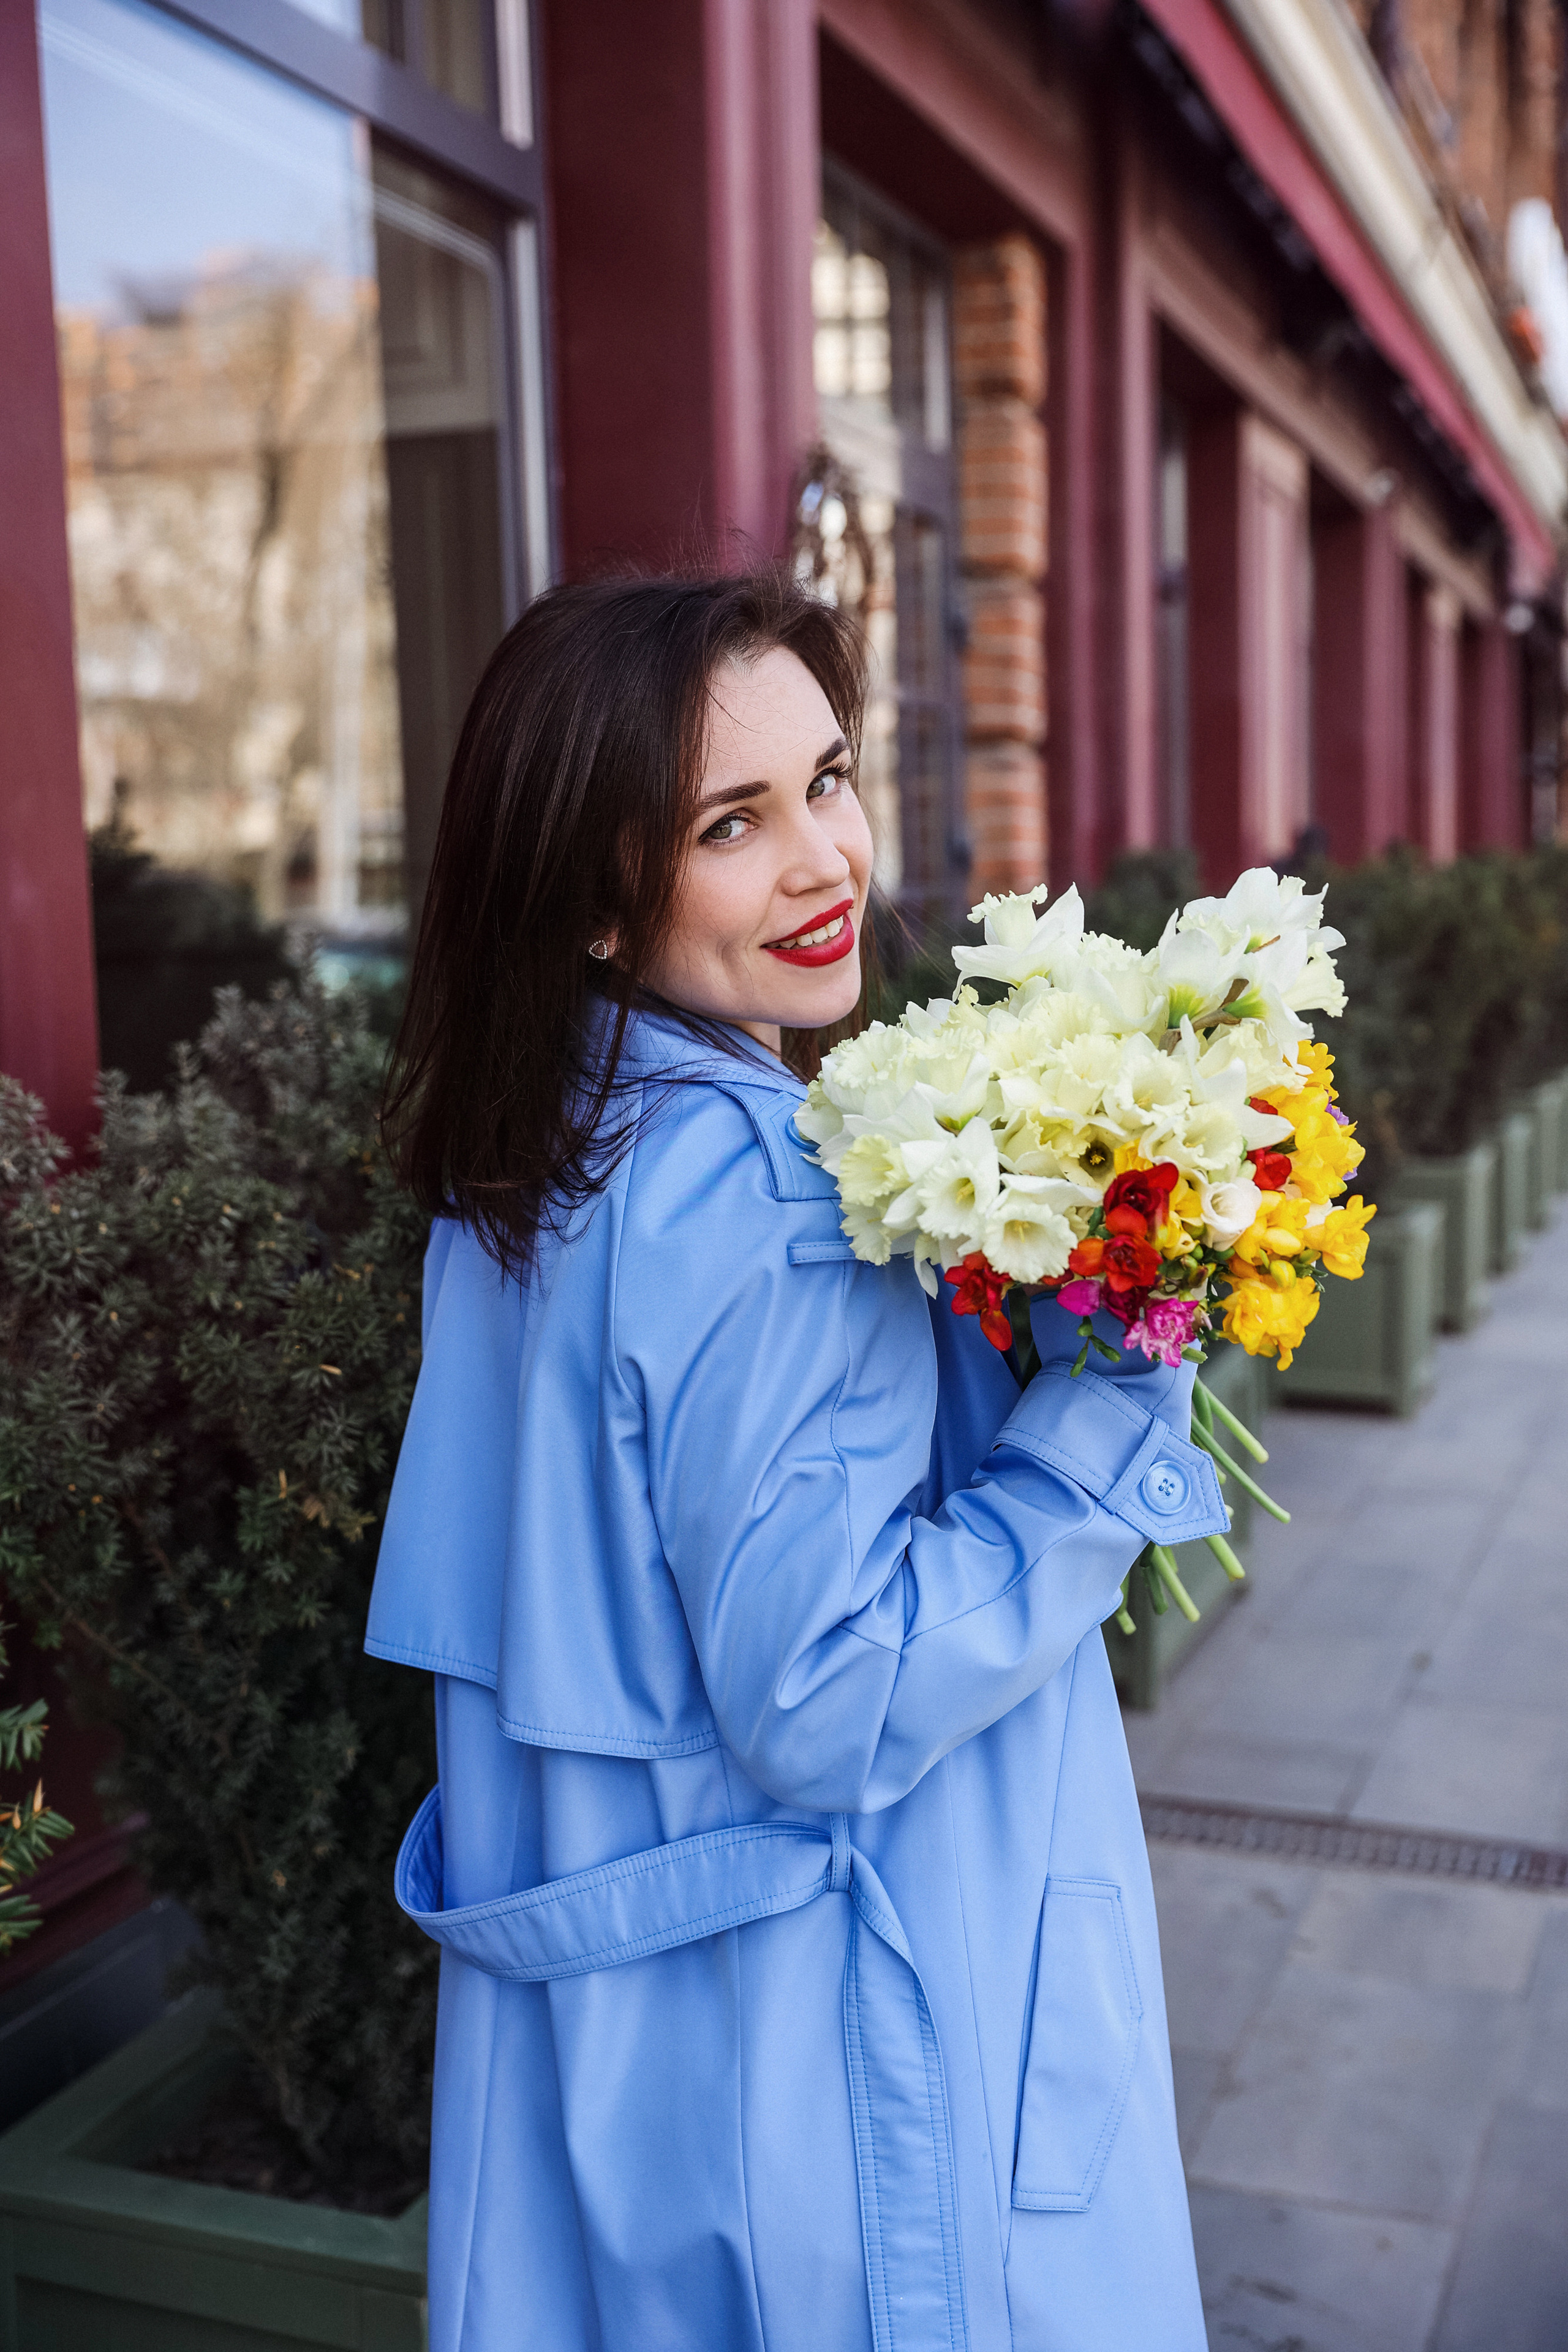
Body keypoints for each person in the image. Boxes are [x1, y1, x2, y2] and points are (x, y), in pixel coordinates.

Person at [367, 570, 1226, 2352]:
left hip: (630, 2073)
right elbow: (831, 1695)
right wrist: (1118, 1394)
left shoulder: (531, 1174)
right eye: (729, 824)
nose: (826, 861)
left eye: (828, 780)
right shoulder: (771, 1195)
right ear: (600, 906)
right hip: (821, 2063)